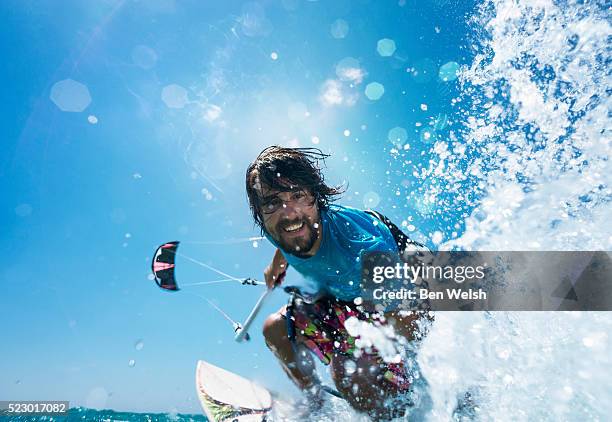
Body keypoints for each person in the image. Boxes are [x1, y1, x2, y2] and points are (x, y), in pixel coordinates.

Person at [245, 146, 430, 419]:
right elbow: (283, 244)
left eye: (298, 195)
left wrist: (381, 360)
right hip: (342, 295)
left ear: (317, 199)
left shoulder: (363, 252)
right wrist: (275, 266)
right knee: (275, 330)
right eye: (272, 202)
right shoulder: (280, 228)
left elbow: (416, 321)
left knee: (350, 374)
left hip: (404, 289)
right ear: (260, 213)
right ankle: (317, 405)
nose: (289, 213)